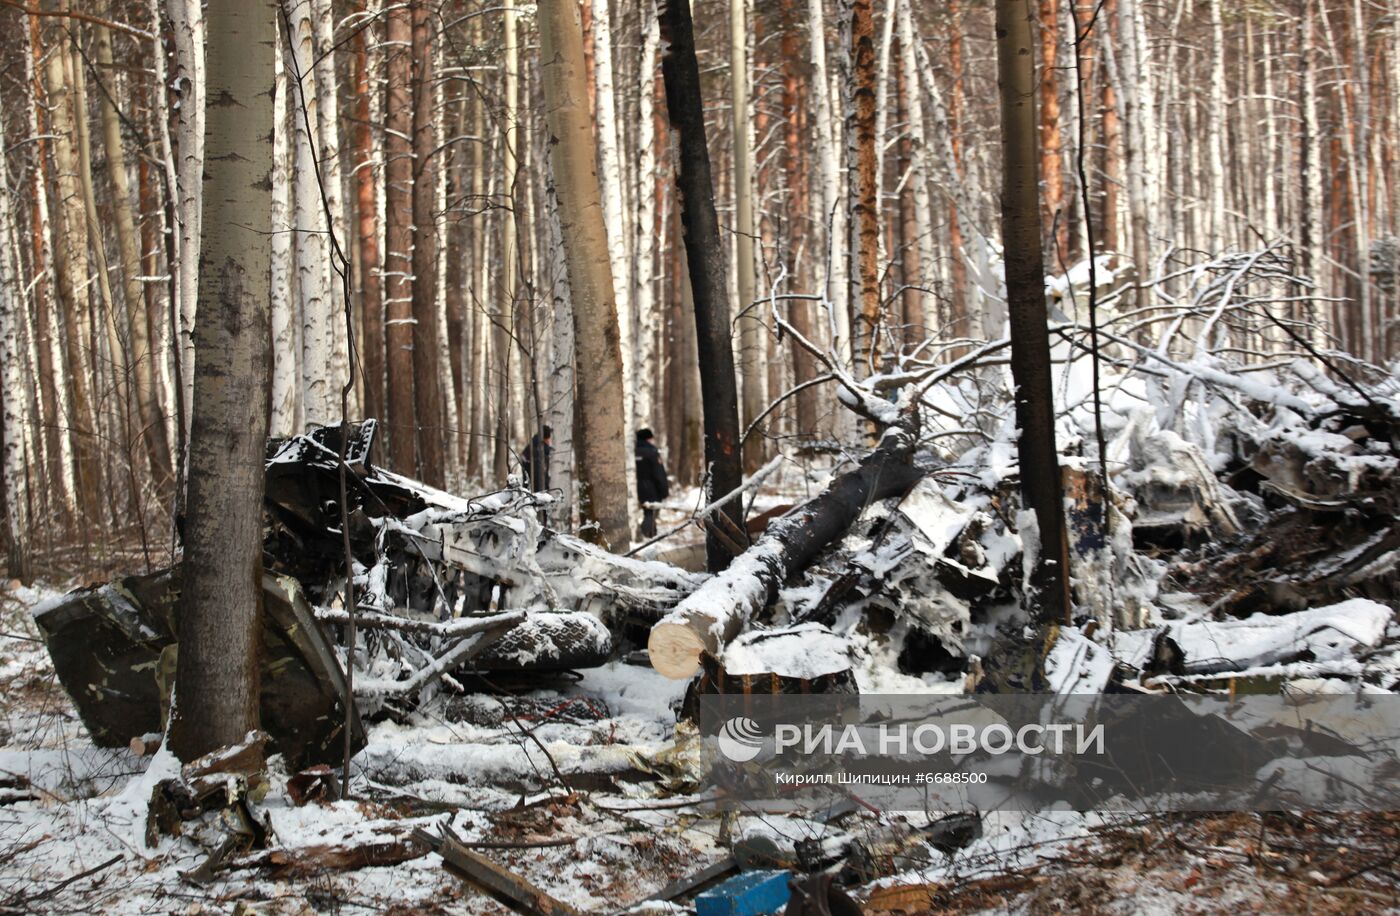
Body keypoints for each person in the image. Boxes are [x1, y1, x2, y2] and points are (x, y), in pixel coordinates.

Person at [635, 428, 669, 537]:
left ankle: (650, 533)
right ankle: (647, 535)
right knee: (651, 511)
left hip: (638, 486)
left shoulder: (634, 451)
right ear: (648, 439)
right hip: (652, 487)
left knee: (647, 511)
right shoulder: (652, 453)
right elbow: (659, 473)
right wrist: (664, 490)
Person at [521, 426, 552, 491]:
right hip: (536, 491)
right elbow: (538, 475)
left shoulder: (534, 446)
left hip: (532, 489)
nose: (550, 440)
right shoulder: (538, 451)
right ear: (546, 438)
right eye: (549, 438)